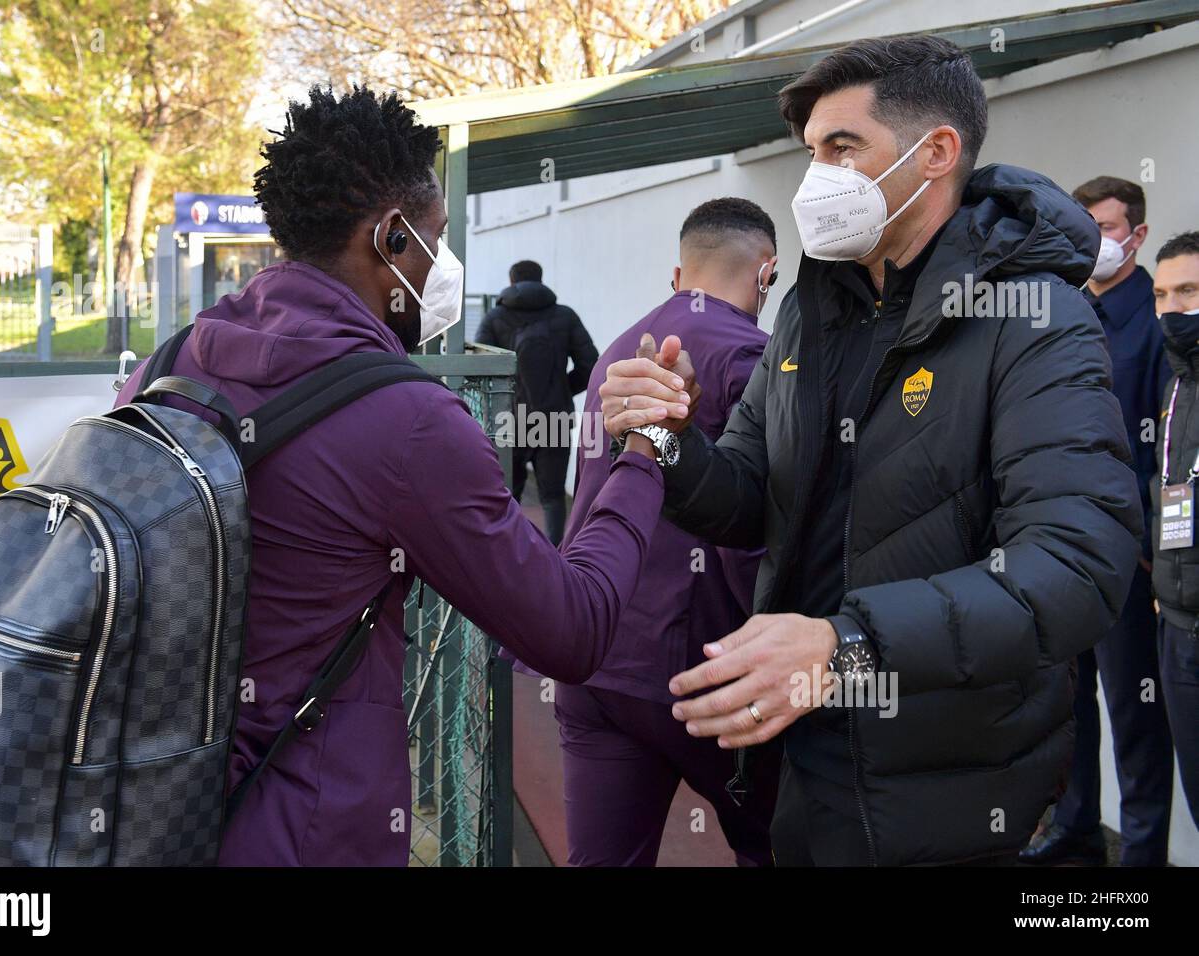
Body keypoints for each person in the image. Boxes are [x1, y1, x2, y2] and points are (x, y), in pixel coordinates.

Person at [598, 35, 1142, 867]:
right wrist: (670, 446)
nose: (817, 175)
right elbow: (751, 497)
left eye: (843, 147)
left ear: (936, 153)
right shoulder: (812, 312)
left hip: (951, 787)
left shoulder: (1035, 317)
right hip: (804, 761)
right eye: (812, 150)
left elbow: (1075, 564)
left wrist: (845, 647)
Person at [115, 86, 688, 866]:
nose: (445, 266)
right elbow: (574, 627)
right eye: (437, 239)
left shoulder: (168, 362)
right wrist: (644, 451)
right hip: (310, 830)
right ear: (390, 239)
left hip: (151, 808)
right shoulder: (406, 419)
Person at [554, 198, 778, 866]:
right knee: (774, 844)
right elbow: (758, 528)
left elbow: (587, 488)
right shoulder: (758, 359)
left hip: (594, 651)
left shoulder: (620, 350)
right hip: (703, 664)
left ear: (678, 276)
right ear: (767, 275)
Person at [1021, 176, 1173, 867]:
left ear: (1135, 236)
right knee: (1068, 698)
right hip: (1059, 549)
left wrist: (1145, 548)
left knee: (1137, 713)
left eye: (1107, 228)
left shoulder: (1163, 320)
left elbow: (1167, 448)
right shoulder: (1065, 310)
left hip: (1129, 555)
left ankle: (1141, 854)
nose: (1095, 242)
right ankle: (1075, 825)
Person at [476, 259, 598, 544]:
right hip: (553, 417)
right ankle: (555, 562)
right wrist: (562, 389)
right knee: (554, 497)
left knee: (509, 494)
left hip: (508, 418)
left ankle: (513, 555)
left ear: (511, 282)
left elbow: (482, 368)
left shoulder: (494, 318)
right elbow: (591, 365)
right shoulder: (565, 316)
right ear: (541, 280)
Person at [1151, 230, 1199, 831]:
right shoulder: (1177, 384)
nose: (1172, 309)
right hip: (1180, 630)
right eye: (1162, 293)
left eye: (1188, 290)